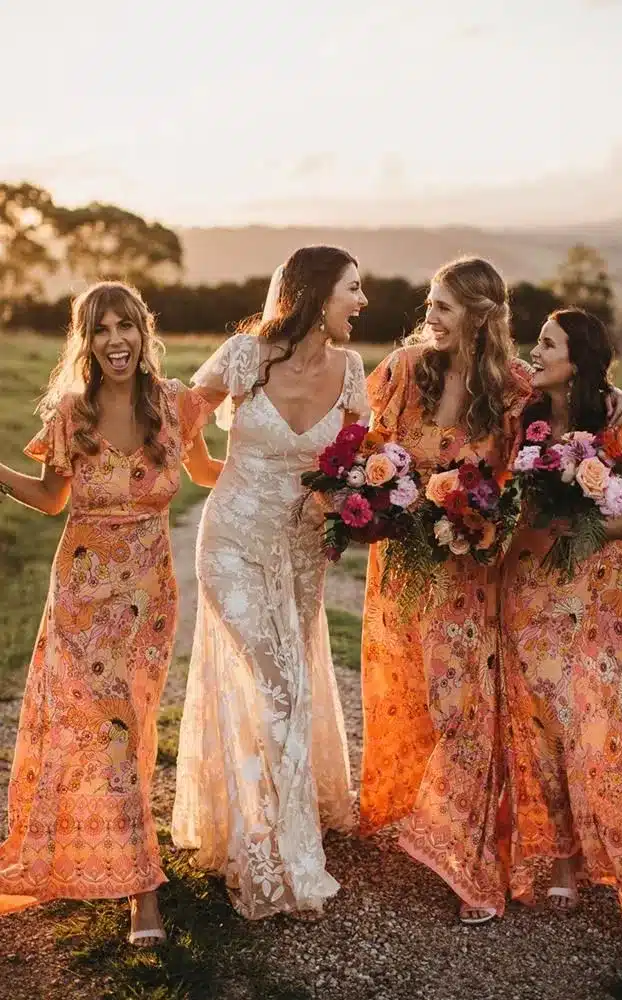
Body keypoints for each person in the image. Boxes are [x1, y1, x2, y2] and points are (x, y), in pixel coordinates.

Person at [360, 258, 622, 925]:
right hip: (404, 569)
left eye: (443, 308)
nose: (428, 318)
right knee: (410, 697)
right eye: (428, 304)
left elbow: (576, 415)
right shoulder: (401, 371)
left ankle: (470, 865)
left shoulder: (514, 388)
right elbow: (362, 443)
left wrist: (616, 401)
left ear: (482, 317)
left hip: (474, 577)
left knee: (465, 712)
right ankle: (425, 825)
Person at [0, 282, 221, 947]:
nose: (115, 340)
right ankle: (138, 891)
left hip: (147, 598)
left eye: (125, 325)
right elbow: (48, 496)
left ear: (143, 330)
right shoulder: (71, 413)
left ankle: (125, 871)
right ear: (87, 342)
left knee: (129, 729)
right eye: (101, 330)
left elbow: (208, 471)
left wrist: (290, 473)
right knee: (94, 727)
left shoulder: (175, 406)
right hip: (79, 594)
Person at [172, 245, 370, 920]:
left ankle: (257, 824)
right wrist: (208, 469)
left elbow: (359, 468)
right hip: (230, 541)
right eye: (352, 289)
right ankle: (283, 859)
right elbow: (180, 425)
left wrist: (347, 506)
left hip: (301, 554)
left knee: (289, 682)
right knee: (277, 684)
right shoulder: (241, 356)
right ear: (316, 296)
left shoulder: (351, 372)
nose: (362, 302)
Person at [500, 309, 622, 952]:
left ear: (580, 356)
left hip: (597, 594)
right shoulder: (526, 413)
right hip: (530, 589)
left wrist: (569, 522)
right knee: (540, 722)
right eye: (536, 341)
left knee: (597, 720)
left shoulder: (617, 417)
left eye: (547, 343)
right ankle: (565, 859)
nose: (534, 351)